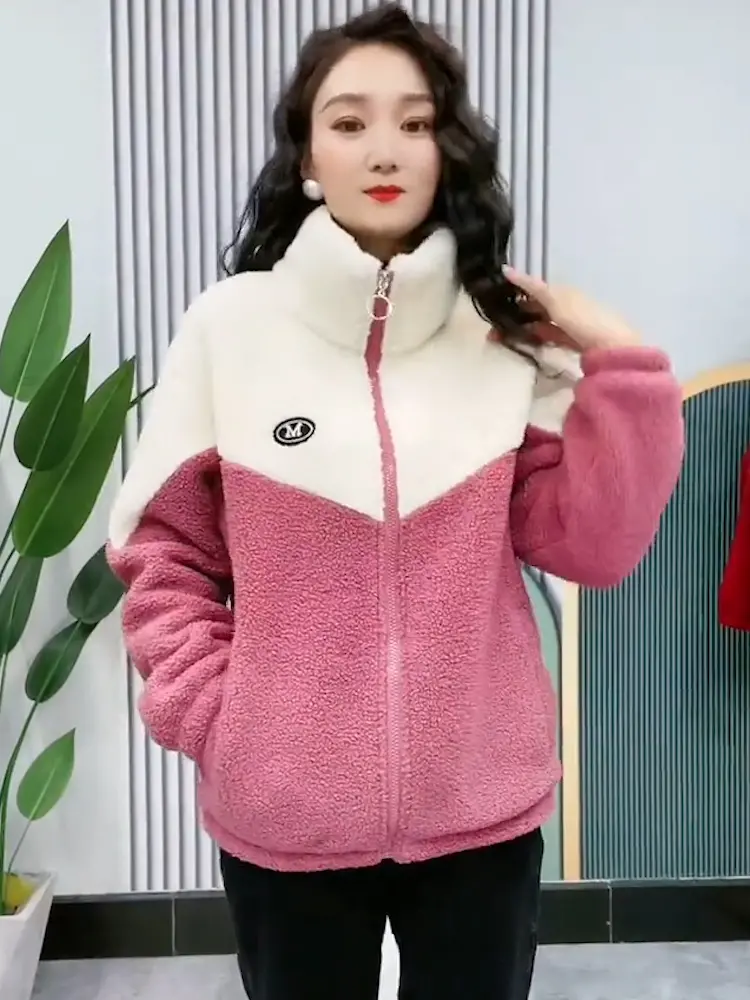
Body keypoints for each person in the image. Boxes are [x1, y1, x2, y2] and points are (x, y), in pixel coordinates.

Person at [107, 4, 684, 998]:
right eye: (349, 121)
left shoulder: (501, 336)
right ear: (307, 157)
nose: (384, 148)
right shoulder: (229, 330)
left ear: (446, 150)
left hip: (481, 807)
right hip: (285, 813)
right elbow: (164, 556)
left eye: (415, 122)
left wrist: (620, 360)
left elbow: (594, 548)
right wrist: (226, 723)